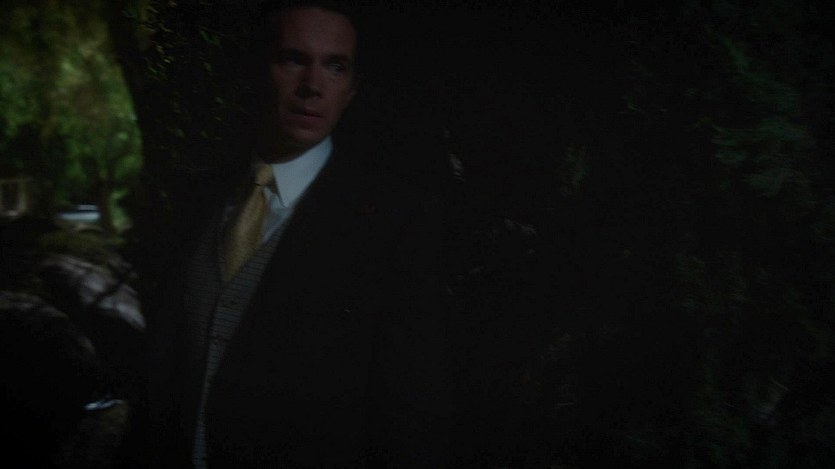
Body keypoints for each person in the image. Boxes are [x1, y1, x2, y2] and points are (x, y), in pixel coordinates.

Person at [141, 1, 454, 467]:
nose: (313, 86)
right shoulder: (200, 200)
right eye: (293, 60)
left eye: (335, 67)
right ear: (259, 69)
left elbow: (410, 411)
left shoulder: (394, 222)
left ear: (351, 89)